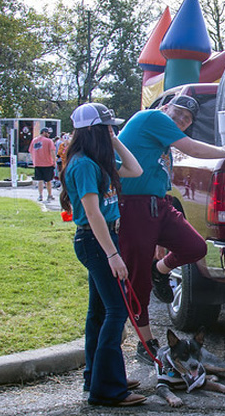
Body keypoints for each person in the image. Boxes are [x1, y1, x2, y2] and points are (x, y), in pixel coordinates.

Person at [117, 95, 225, 364]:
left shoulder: (164, 139)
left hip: (159, 205)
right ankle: (145, 342)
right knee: (138, 281)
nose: (182, 119)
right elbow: (195, 150)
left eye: (188, 119)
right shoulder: (153, 117)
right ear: (165, 108)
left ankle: (159, 269)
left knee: (195, 247)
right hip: (135, 207)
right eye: (179, 112)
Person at [60, 103, 145, 406]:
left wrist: (115, 139)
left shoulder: (98, 161)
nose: (111, 131)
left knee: (99, 312)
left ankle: (97, 377)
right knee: (116, 312)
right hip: (97, 241)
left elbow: (136, 169)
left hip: (101, 240)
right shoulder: (83, 164)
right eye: (107, 127)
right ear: (92, 131)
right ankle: (107, 388)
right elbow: (93, 214)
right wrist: (112, 254)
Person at [29, 127, 57, 201]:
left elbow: (31, 151)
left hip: (37, 163)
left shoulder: (34, 140)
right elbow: (52, 152)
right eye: (48, 133)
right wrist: (54, 161)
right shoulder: (49, 141)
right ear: (44, 132)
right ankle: (49, 195)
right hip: (48, 163)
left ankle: (40, 195)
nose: (48, 134)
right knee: (48, 181)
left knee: (40, 180)